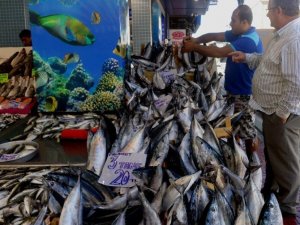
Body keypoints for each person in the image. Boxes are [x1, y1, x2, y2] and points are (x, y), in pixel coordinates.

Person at [229, 0, 300, 224]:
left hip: (282, 115)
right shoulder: (281, 35)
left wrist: (281, 114)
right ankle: (272, 193)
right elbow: (267, 63)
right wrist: (247, 57)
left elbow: (296, 82)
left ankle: (286, 211)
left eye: (269, 10)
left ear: (279, 10)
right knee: (275, 156)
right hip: (272, 112)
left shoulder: (294, 38)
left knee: (286, 160)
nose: (267, 15)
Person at [182, 4, 263, 154]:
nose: (231, 23)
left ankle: (251, 167)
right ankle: (233, 156)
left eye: (233, 20)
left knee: (247, 132)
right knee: (228, 128)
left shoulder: (248, 40)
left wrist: (194, 47)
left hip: (244, 95)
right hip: (232, 92)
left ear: (244, 22)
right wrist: (196, 40)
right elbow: (214, 36)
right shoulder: (238, 34)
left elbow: (219, 52)